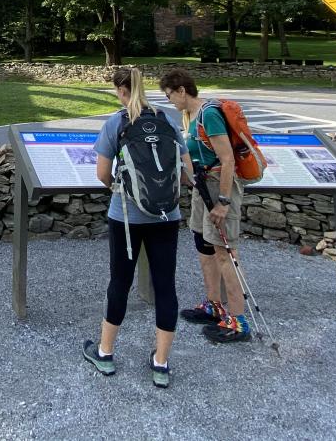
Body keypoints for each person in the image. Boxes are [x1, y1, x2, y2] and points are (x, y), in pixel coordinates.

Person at [83, 67, 191, 388]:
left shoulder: (116, 123)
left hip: (126, 217)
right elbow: (185, 172)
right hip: (166, 217)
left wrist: (119, 188)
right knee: (165, 285)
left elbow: (102, 173)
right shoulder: (167, 120)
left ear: (121, 90)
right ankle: (161, 363)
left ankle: (105, 353)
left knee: (120, 282)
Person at [159, 66, 251, 343]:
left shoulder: (209, 114)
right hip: (202, 188)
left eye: (170, 96)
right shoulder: (191, 116)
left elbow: (227, 160)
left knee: (224, 251)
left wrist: (223, 202)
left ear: (182, 90)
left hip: (218, 189)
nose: (170, 102)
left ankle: (238, 320)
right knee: (203, 244)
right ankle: (214, 305)